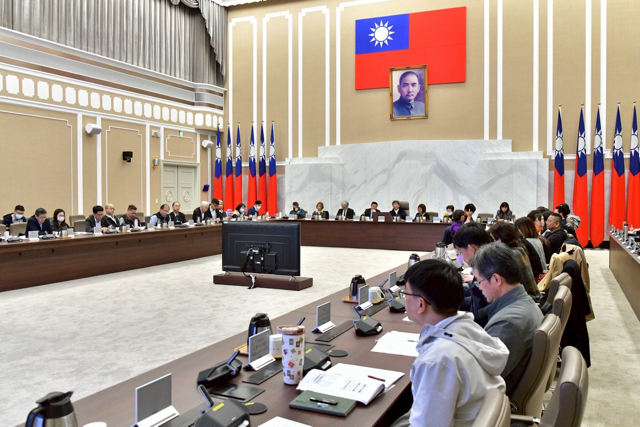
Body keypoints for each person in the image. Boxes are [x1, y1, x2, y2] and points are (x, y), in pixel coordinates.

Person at [391, 259, 508, 427]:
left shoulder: (436, 360)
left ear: (421, 303)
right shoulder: (469, 328)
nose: (404, 299)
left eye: (406, 294)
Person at [470, 242, 544, 395]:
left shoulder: (508, 324)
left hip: (496, 401)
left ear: (496, 279)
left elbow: (477, 384)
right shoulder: (524, 304)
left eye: (479, 281)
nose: (479, 287)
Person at [453, 222, 494, 327]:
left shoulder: (488, 271)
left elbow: (483, 307)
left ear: (472, 249)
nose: (462, 257)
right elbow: (477, 299)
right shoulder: (486, 262)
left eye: (461, 252)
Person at [489, 222, 541, 301]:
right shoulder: (519, 250)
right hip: (529, 296)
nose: (492, 243)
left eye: (494, 239)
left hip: (525, 299)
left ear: (503, 238)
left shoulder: (509, 255)